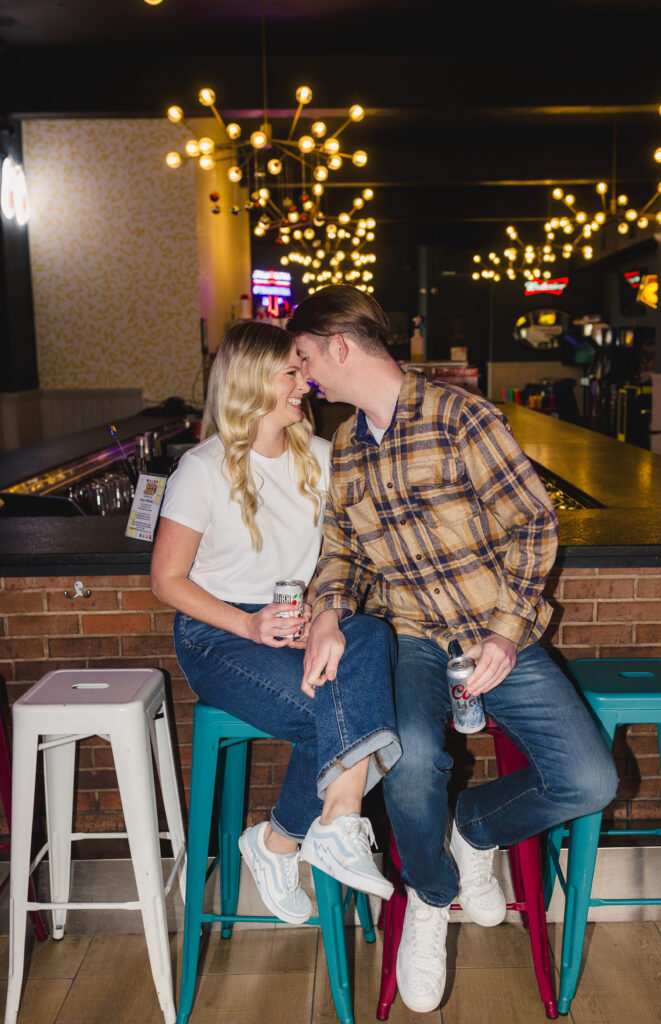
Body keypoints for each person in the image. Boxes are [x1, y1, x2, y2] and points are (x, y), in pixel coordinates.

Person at [287, 286, 618, 1013]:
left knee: (589, 780)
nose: (304, 374)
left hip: (492, 632)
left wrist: (505, 630)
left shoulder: (461, 417)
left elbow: (533, 525)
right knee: (406, 759)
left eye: (306, 356)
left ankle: (475, 829)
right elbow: (341, 549)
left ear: (339, 346)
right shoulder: (345, 444)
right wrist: (327, 613)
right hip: (411, 639)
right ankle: (430, 901)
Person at [150, 320, 402, 925]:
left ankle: (298, 837)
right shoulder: (201, 469)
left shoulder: (321, 459)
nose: (305, 382)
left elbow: (348, 558)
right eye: (291, 371)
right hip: (219, 636)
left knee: (370, 637)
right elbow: (166, 581)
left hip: (301, 623)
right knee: (338, 716)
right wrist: (248, 625)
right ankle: (297, 837)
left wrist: (325, 616)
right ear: (254, 381)